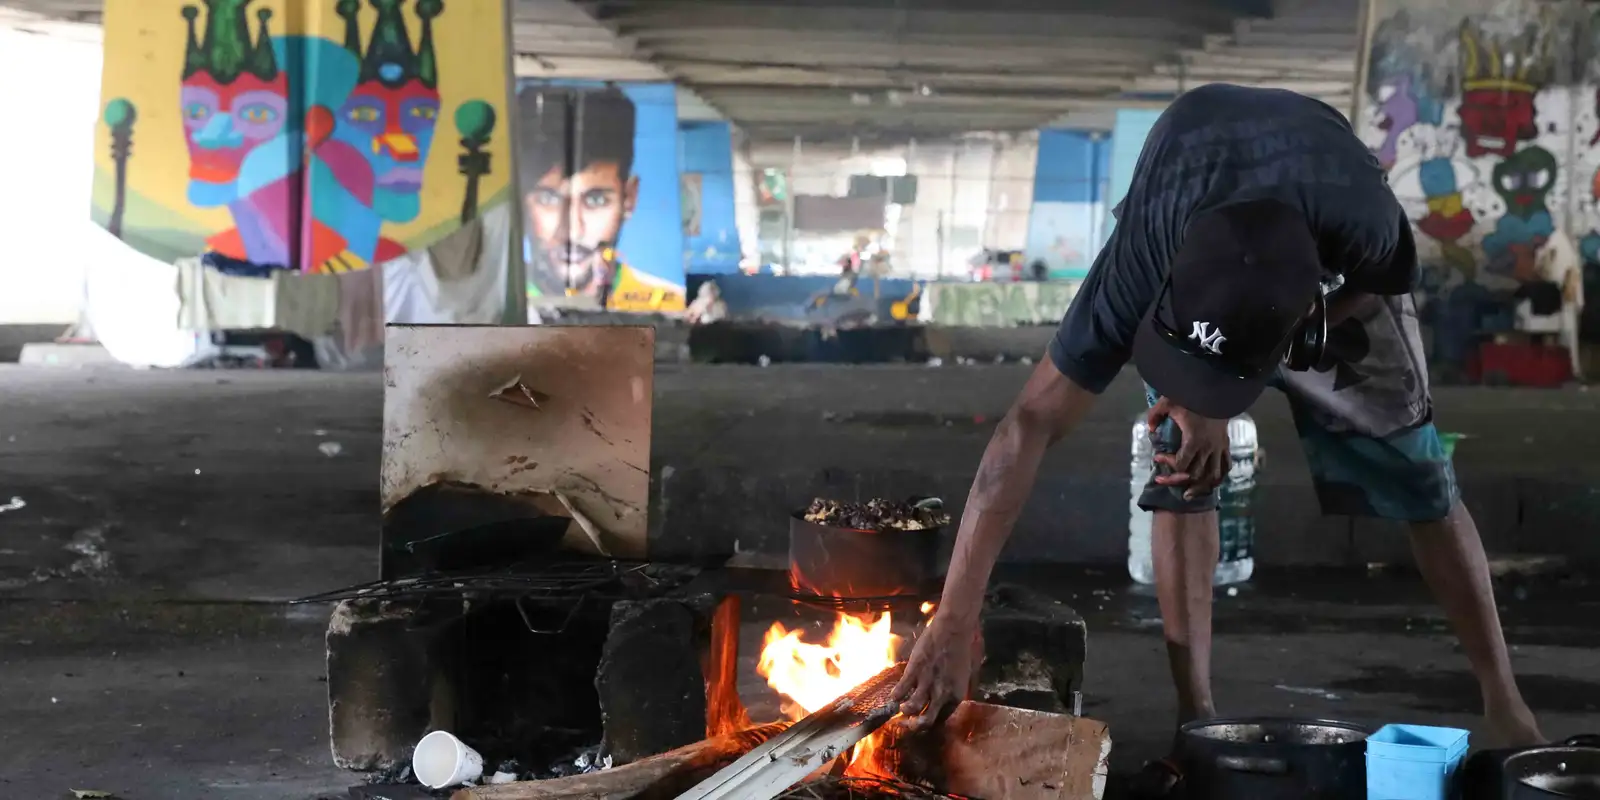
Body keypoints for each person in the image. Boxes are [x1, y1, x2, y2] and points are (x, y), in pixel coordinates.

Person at [890, 84, 1545, 793]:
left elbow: (1380, 281)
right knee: (1180, 461)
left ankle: (1506, 704)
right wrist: (954, 618)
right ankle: (1196, 716)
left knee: (1419, 474)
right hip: (1194, 196)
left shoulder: (1365, 221)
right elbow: (1027, 424)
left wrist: (1297, 334)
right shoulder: (1140, 264)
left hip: (1316, 256)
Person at [517, 85, 682, 310]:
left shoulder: (664, 305)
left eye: (595, 201)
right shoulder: (492, 305)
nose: (573, 231)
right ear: (519, 199)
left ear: (629, 198)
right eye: (548, 199)